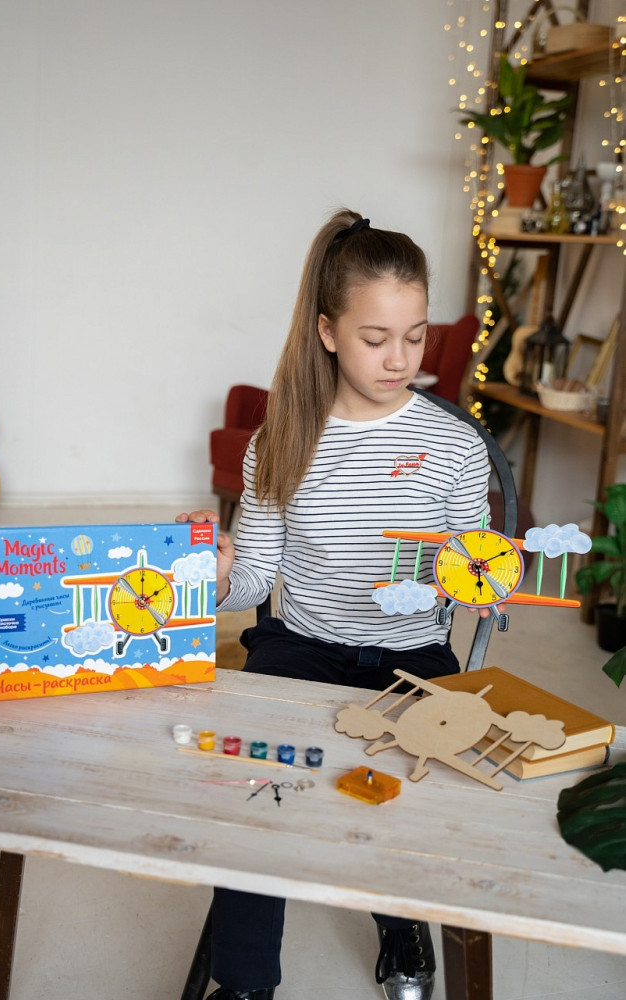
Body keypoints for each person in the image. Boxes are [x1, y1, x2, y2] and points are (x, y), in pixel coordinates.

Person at [178, 208, 491, 1000]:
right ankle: (245, 982)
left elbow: (476, 568)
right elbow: (256, 581)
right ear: (327, 331)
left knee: (413, 781)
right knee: (256, 778)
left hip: (414, 654)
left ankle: (401, 924)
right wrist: (220, 575)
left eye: (415, 336)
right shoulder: (282, 440)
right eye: (375, 338)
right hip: (302, 646)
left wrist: (480, 581)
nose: (401, 359)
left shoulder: (455, 446)